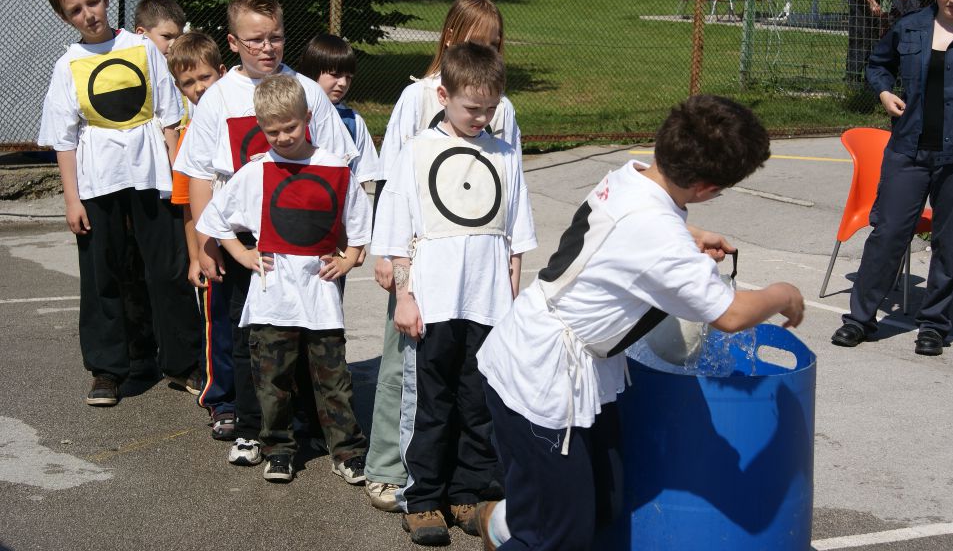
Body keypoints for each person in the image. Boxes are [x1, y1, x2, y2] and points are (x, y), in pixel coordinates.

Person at [473, 95, 805, 550]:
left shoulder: (629, 177)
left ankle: (512, 517)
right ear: (708, 188)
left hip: (565, 361)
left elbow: (640, 228)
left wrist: (692, 236)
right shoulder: (660, 238)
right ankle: (517, 528)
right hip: (543, 381)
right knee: (560, 538)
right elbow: (731, 315)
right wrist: (782, 294)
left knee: (606, 500)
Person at [174, 0, 360, 467]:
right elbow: (199, 174)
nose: (267, 47)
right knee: (247, 335)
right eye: (255, 39)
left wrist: (344, 244)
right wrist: (204, 245)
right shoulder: (217, 99)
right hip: (245, 241)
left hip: (305, 241)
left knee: (308, 338)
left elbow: (338, 169)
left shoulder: (309, 92)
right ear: (233, 43)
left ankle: (305, 425)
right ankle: (250, 424)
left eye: (275, 37)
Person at [373, 42, 537, 545]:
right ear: (443, 95)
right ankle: (422, 499)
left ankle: (469, 491)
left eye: (491, 109)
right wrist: (405, 295)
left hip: (487, 305)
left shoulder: (504, 154)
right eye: (472, 108)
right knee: (429, 403)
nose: (481, 118)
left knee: (477, 402)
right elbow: (397, 232)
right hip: (432, 302)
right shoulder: (417, 151)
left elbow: (515, 240)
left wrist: (509, 299)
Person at [38, 0, 202, 406]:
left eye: (92, 2)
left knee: (167, 269)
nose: (88, 14)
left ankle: (185, 363)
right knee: (101, 274)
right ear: (64, 16)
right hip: (97, 182)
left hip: (152, 176)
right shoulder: (68, 65)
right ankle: (108, 370)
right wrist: (72, 199)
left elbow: (169, 116)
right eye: (75, 9)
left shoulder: (142, 49)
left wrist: (177, 179)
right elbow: (64, 140)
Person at [196, 74, 370, 483]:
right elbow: (216, 219)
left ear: (307, 117)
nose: (282, 137)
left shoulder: (335, 168)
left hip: (321, 301)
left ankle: (346, 451)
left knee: (333, 381)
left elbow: (360, 228)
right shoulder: (257, 171)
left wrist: (348, 260)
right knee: (272, 382)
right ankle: (278, 448)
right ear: (260, 127)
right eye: (271, 130)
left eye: (290, 127)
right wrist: (241, 253)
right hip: (272, 299)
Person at [830, 0, 953, 357]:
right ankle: (860, 319)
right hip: (908, 150)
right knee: (888, 235)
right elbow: (877, 65)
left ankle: (933, 325)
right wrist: (885, 92)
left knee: (950, 243)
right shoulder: (911, 26)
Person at [128, 0, 202, 392]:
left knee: (173, 273)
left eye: (178, 35)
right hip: (152, 183)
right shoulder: (137, 70)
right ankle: (143, 356)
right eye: (166, 36)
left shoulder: (185, 76)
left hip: (179, 187)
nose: (173, 44)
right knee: (142, 272)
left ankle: (184, 360)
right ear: (142, 35)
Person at [166, 32, 235, 438]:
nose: (198, 88)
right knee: (219, 326)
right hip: (211, 248)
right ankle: (221, 400)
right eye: (188, 83)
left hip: (246, 243)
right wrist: (195, 256)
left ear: (222, 73)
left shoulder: (243, 116)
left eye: (205, 77)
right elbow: (189, 209)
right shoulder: (191, 136)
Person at [298, 34, 379, 184]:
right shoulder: (291, 114)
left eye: (348, 77)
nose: (342, 83)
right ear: (311, 70)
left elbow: (362, 175)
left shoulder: (353, 121)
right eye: (335, 74)